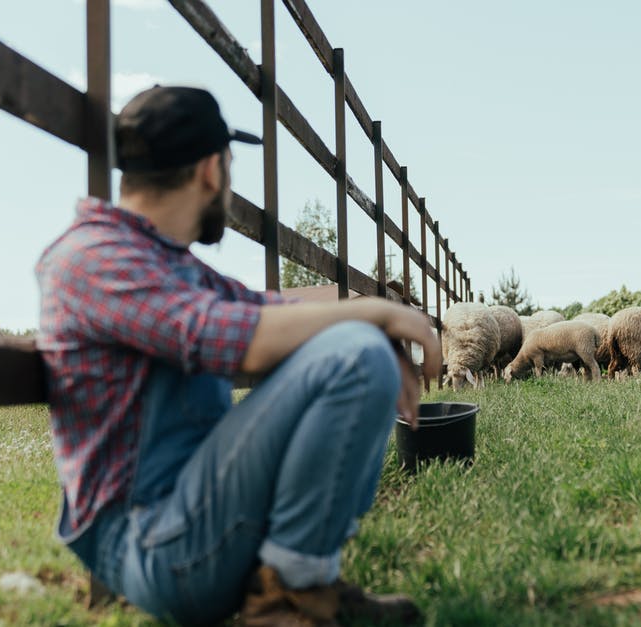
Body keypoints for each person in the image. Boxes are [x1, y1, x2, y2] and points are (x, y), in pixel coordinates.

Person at [35, 85, 439, 626]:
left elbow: (269, 309)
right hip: (150, 542)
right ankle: (287, 600)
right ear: (211, 169)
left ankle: (301, 586)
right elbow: (226, 333)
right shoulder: (93, 259)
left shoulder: (168, 265)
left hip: (190, 516)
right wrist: (376, 318)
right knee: (355, 352)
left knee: (353, 343)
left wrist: (369, 317)